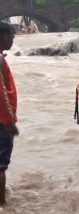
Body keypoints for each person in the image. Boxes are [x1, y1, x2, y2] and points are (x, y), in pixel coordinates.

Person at [0, 22, 17, 205]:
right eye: (12, 36)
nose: (12, 40)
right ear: (4, 37)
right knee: (0, 165)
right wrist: (8, 121)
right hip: (1, 122)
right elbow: (1, 93)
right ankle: (2, 205)